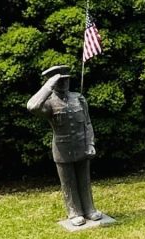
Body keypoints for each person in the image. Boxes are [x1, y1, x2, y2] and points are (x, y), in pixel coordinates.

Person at [27, 64, 101, 226]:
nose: (64, 84)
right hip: (63, 149)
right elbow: (32, 106)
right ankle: (74, 212)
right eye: (60, 81)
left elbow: (87, 123)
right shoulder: (49, 103)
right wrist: (48, 86)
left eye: (66, 80)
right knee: (68, 183)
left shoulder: (79, 98)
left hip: (82, 145)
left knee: (84, 180)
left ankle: (89, 209)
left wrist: (90, 143)